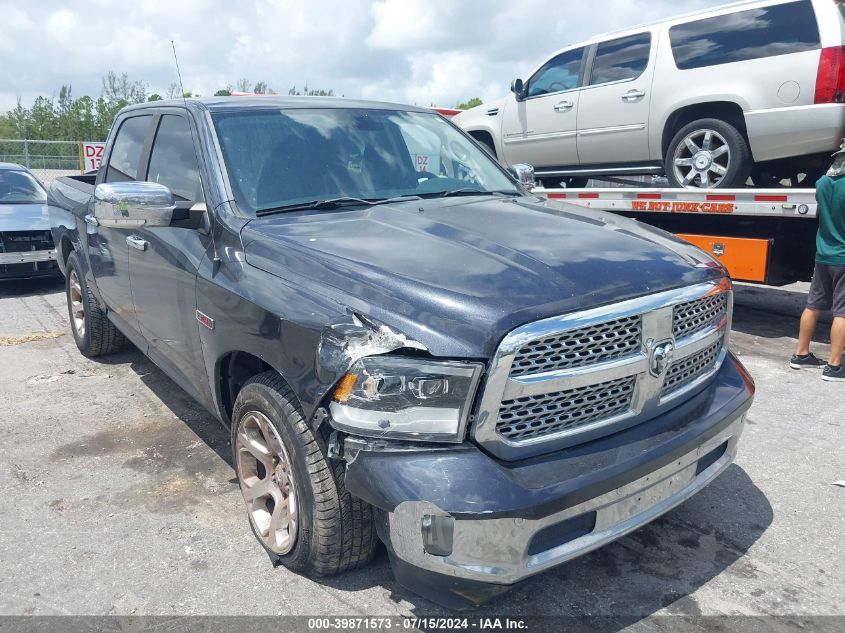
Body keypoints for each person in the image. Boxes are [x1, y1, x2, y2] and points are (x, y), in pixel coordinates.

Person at [790, 142, 845, 381]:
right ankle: (834, 366)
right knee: (842, 312)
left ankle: (801, 355)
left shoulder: (821, 184)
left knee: (813, 305)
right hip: (843, 258)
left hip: (823, 255)